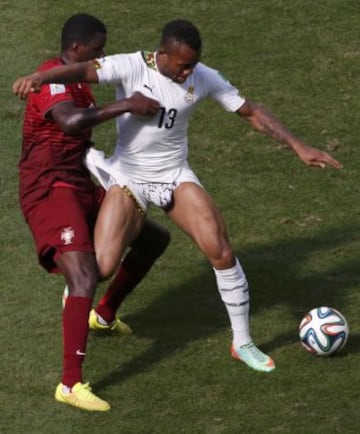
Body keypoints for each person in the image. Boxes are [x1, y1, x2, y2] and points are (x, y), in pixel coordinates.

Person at [13, 19, 343, 377]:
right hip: (130, 179)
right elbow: (82, 68)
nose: (189, 71)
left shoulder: (202, 75)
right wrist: (41, 78)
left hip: (173, 175)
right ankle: (102, 175)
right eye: (183, 64)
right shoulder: (132, 65)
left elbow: (251, 112)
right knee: (100, 270)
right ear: (164, 54)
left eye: (193, 64)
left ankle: (243, 342)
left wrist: (299, 146)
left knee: (220, 249)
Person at [14, 13, 170, 412]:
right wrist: (126, 105)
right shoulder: (51, 77)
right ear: (78, 47)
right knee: (83, 274)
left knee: (154, 238)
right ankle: (70, 384)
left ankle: (103, 314)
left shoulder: (80, 76)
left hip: (81, 180)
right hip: (49, 188)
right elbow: (69, 122)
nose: (102, 55)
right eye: (98, 49)